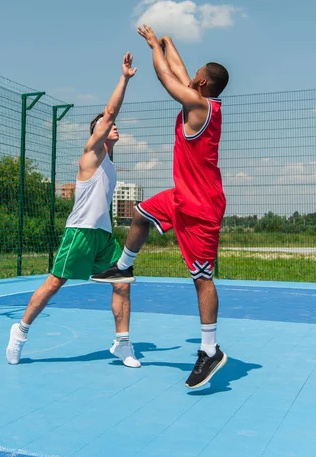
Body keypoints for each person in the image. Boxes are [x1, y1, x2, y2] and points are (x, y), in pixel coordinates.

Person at [91, 26, 229, 389]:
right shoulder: (203, 100)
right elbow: (182, 74)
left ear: (202, 82)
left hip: (200, 206)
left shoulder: (198, 105)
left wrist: (154, 46)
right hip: (183, 195)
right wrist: (171, 44)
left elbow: (167, 76)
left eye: (196, 74)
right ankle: (122, 268)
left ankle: (210, 350)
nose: (191, 74)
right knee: (140, 213)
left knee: (202, 278)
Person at [6, 52, 140, 368]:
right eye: (111, 125)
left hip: (104, 237)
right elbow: (109, 112)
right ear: (98, 132)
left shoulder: (110, 163)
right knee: (54, 283)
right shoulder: (90, 155)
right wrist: (124, 78)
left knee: (122, 282)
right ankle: (20, 332)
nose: (115, 126)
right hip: (79, 232)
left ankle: (122, 344)